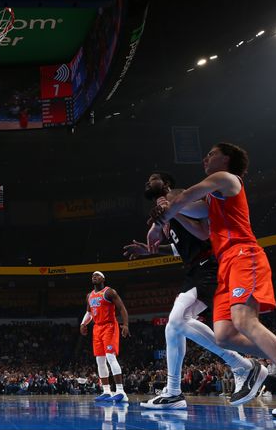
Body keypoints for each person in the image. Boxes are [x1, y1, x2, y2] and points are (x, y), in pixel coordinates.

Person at [150, 142, 276, 417]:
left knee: (245, 321)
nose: (205, 158)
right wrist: (168, 214)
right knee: (224, 336)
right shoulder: (213, 199)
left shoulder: (227, 178)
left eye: (212, 154)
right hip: (225, 265)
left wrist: (166, 211)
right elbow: (194, 216)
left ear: (227, 158)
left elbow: (186, 197)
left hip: (244, 254)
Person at [128, 172, 266, 410]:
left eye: (153, 178)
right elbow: (179, 247)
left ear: (166, 182)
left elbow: (203, 233)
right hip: (194, 268)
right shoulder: (165, 210)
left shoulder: (178, 195)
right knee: (173, 328)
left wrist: (174, 210)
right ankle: (173, 392)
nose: (148, 182)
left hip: (208, 265)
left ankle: (241, 365)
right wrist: (151, 250)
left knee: (178, 321)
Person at [80, 271, 130, 403]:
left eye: (97, 275)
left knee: (110, 356)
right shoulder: (89, 296)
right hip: (97, 328)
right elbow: (89, 313)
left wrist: (125, 325)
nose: (94, 277)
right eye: (92, 276)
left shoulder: (109, 292)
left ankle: (120, 391)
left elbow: (122, 308)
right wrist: (83, 323)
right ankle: (107, 391)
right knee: (100, 361)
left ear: (103, 278)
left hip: (109, 326)